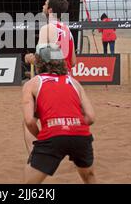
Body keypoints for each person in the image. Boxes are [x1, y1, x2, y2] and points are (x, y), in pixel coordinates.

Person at [22, 43, 96, 183]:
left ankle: (33, 153)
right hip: (79, 135)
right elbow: (91, 117)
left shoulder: (32, 83)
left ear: (40, 63)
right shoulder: (74, 82)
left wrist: (42, 137)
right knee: (89, 177)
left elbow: (29, 121)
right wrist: (72, 123)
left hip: (52, 135)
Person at [23, 0, 77, 154]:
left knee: (30, 120)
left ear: (51, 9)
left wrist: (29, 58)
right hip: (67, 82)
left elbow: (41, 58)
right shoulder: (68, 30)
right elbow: (73, 62)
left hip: (49, 82)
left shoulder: (47, 28)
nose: (43, 6)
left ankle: (35, 156)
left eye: (45, 4)